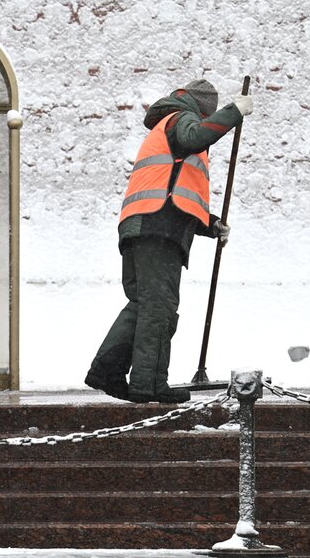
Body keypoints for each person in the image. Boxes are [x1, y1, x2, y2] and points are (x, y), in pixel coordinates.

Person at [85, 79, 253, 403]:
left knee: (143, 305)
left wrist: (211, 224)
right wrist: (234, 113)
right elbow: (196, 137)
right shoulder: (182, 119)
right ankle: (149, 384)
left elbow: (175, 191)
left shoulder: (165, 125)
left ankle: (107, 371)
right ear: (203, 109)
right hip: (158, 228)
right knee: (159, 308)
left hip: (143, 224)